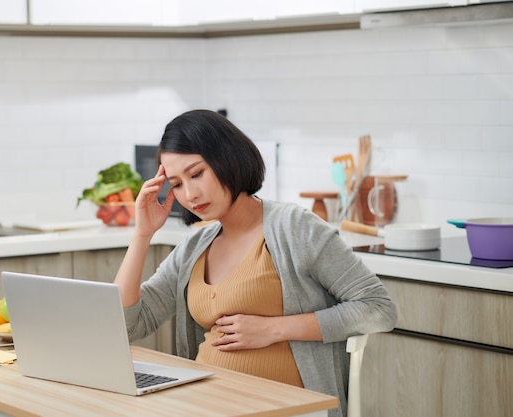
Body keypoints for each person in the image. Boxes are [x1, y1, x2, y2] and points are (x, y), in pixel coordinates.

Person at [114, 109, 397, 417]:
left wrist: (275, 329)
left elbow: (379, 308)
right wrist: (142, 234)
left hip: (290, 410)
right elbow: (125, 325)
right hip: (204, 405)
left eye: (197, 174)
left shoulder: (294, 227)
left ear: (227, 159)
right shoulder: (194, 247)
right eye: (177, 184)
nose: (190, 194)